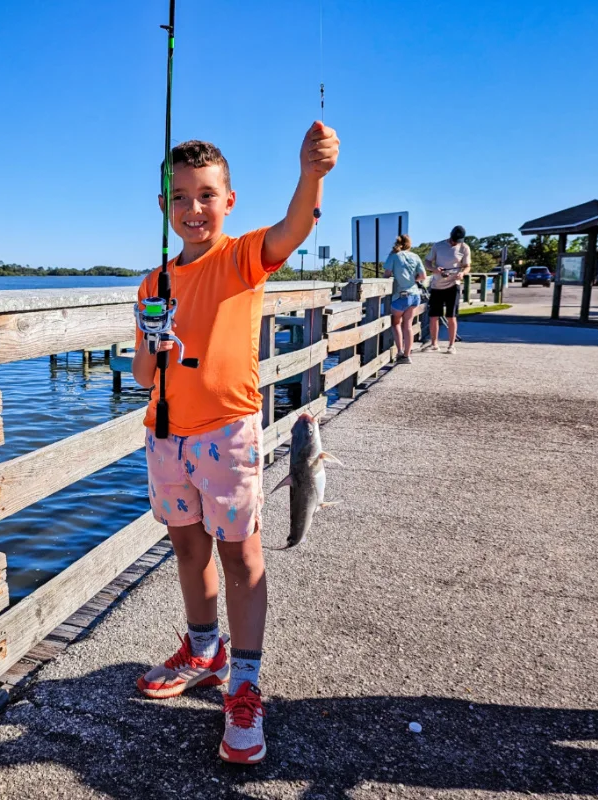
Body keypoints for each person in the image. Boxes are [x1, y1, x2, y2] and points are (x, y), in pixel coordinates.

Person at [131, 124, 339, 765]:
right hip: (166, 435)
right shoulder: (152, 284)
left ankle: (244, 682)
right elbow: (142, 376)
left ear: (229, 201)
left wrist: (313, 173)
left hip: (228, 433)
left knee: (240, 558)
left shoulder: (243, 257)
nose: (193, 210)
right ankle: (203, 649)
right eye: (180, 198)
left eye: (205, 196)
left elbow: (294, 228)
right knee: (187, 549)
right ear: (164, 206)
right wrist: (156, 344)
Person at [423, 225, 471, 353]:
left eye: (458, 241)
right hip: (437, 285)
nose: (455, 242)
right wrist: (434, 269)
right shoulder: (438, 246)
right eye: (454, 240)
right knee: (433, 316)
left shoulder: (464, 248)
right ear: (450, 236)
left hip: (453, 284)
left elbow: (467, 266)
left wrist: (462, 273)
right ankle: (434, 344)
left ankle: (451, 345)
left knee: (451, 316)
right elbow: (427, 262)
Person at [383, 234, 426, 363]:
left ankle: (400, 351)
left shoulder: (394, 256)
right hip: (414, 296)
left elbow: (387, 274)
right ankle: (407, 356)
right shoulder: (415, 256)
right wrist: (414, 280)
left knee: (396, 323)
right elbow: (423, 276)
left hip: (401, 296)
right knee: (408, 325)